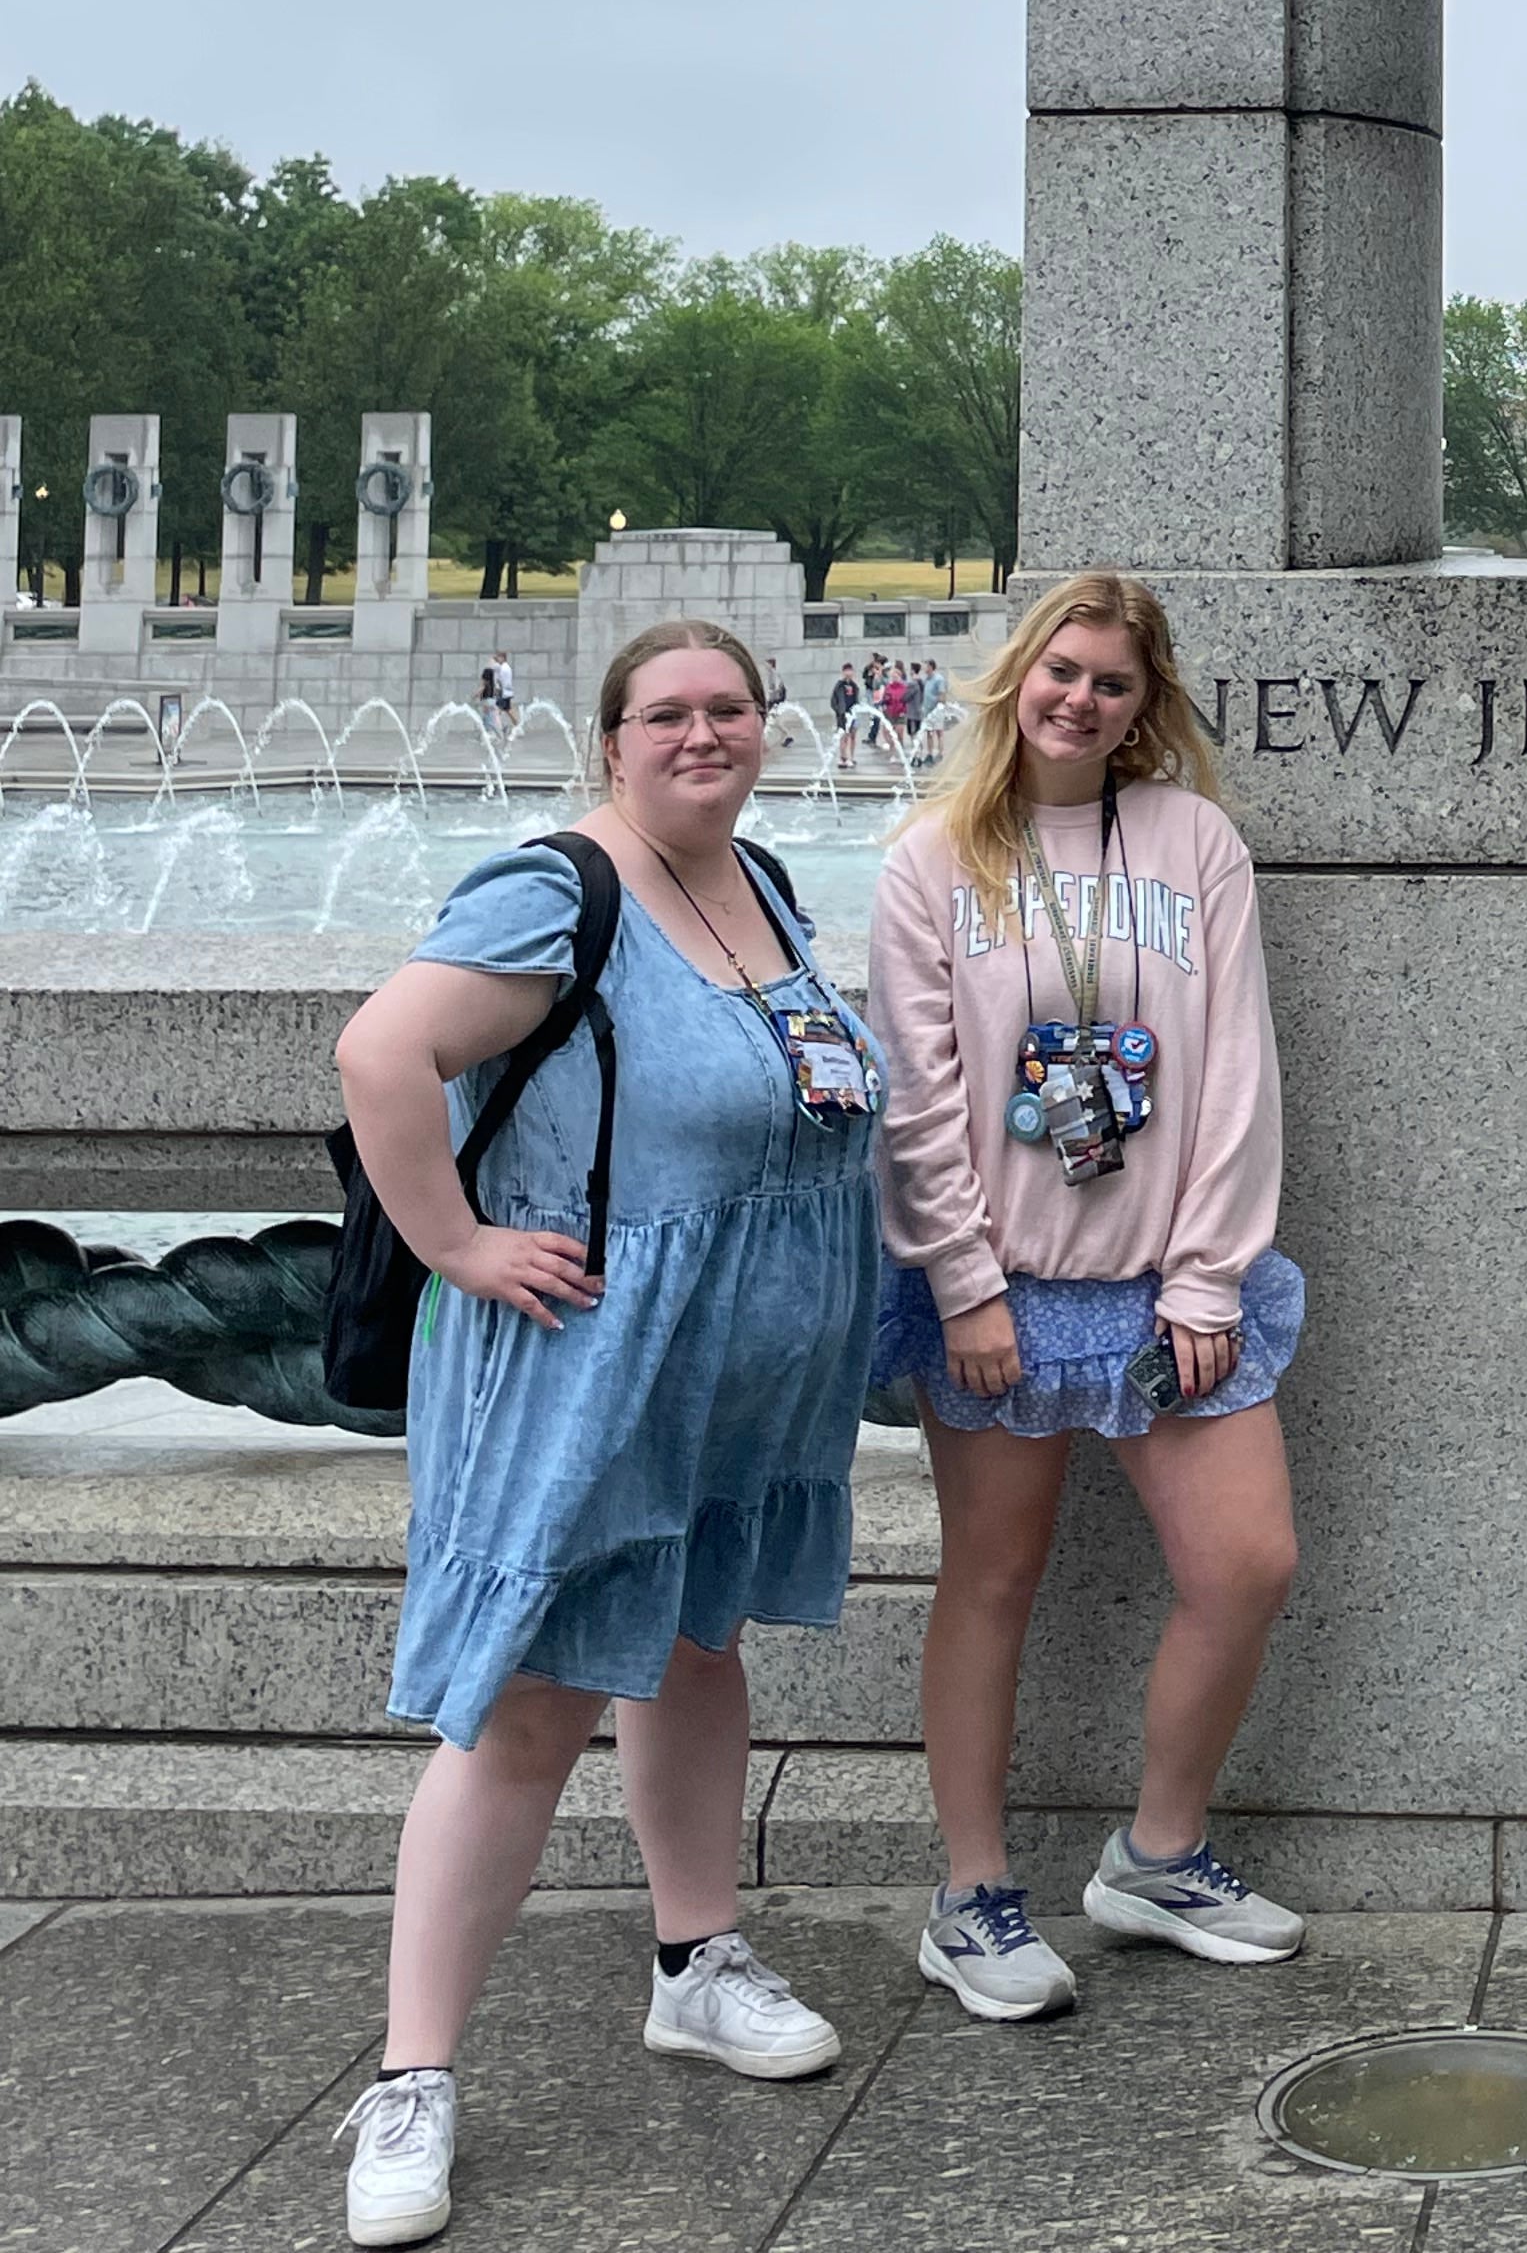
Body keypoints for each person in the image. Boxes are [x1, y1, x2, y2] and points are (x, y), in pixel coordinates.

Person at [329, 620, 883, 2245]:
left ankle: (694, 1959)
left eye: (728, 708)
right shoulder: (556, 887)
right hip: (591, 1357)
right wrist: (454, 1243)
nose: (702, 735)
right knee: (527, 1705)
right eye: (667, 715)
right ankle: (414, 2078)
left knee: (696, 1644)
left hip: (725, 1373)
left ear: (763, 727)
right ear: (611, 739)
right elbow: (384, 1049)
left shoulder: (756, 878)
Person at [867, 568, 1306, 2024]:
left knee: (1245, 1566)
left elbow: (1237, 1066)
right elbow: (919, 1099)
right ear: (1018, 679)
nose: (1082, 699)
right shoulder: (936, 858)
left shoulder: (1193, 843)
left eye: (1113, 683)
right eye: (1062, 671)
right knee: (994, 1578)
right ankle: (974, 1897)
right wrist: (965, 1283)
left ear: (1143, 706)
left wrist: (1209, 1275)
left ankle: (1159, 1855)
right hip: (1003, 1289)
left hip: (1166, 1288)